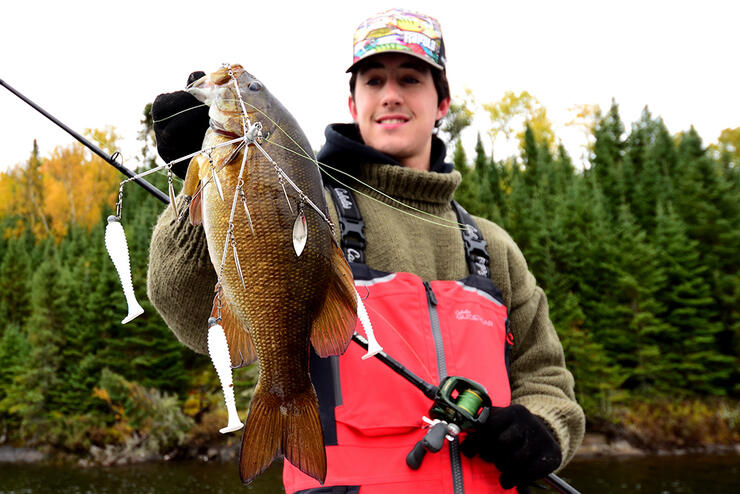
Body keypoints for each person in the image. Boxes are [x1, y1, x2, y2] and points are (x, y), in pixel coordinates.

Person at [147, 8, 584, 494]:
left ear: (442, 102)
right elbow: (190, 314)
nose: (391, 95)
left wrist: (544, 430)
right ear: (352, 102)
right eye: (374, 80)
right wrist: (197, 176)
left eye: (411, 79)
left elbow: (546, 376)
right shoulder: (309, 205)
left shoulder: (493, 247)